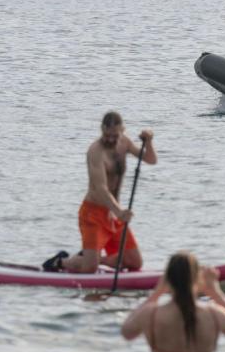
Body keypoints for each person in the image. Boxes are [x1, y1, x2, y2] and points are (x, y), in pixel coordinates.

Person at [44, 111, 157, 273]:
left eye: (114, 135)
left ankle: (92, 258)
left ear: (122, 130)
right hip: (93, 214)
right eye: (107, 135)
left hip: (114, 213)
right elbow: (101, 188)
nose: (110, 139)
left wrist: (149, 141)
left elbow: (150, 160)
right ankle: (61, 262)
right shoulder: (95, 151)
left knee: (134, 263)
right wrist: (119, 212)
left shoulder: (125, 143)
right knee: (89, 268)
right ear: (101, 129)